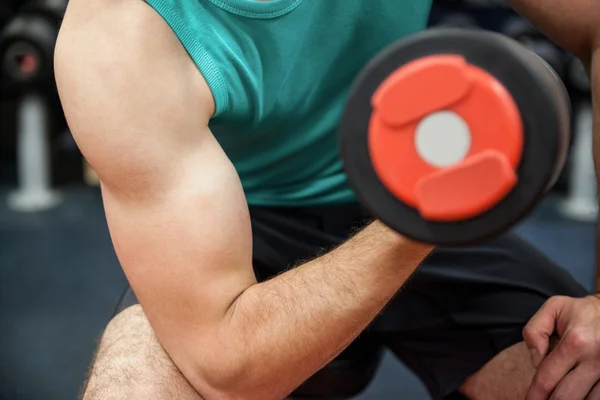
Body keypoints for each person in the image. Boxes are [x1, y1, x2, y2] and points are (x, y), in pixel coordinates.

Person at [53, 0, 600, 399]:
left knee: (586, 368)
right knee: (137, 386)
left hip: (417, 205)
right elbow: (225, 363)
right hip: (235, 235)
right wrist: (420, 213)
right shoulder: (119, 35)